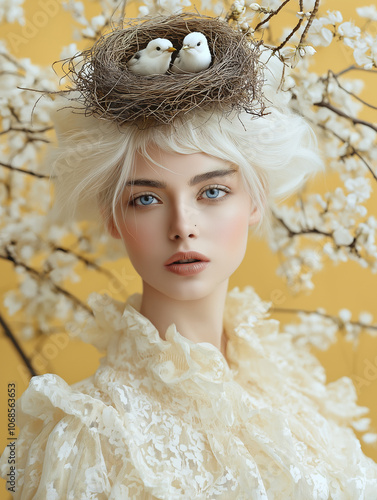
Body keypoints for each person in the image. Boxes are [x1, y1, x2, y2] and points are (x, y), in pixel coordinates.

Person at [1, 13, 377, 500]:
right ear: (113, 216)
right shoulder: (87, 438)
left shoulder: (296, 384)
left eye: (213, 191)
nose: (183, 227)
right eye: (147, 199)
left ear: (256, 200)